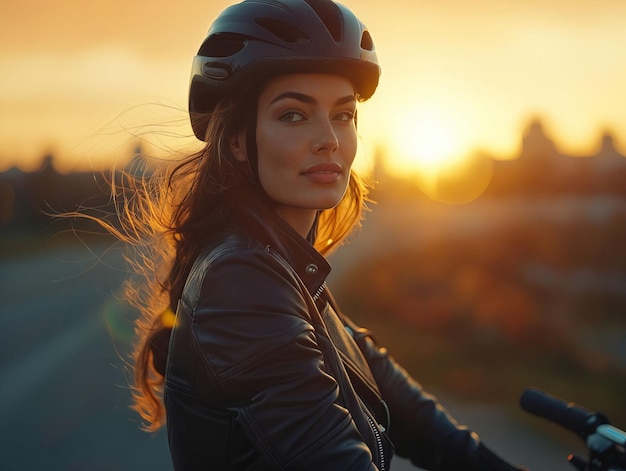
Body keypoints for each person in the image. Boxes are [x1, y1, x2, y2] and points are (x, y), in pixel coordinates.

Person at [117, 0, 528, 469]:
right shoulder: (239, 281)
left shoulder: (285, 270)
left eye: (343, 115)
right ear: (236, 140)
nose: (328, 138)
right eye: (294, 114)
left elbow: (410, 411)